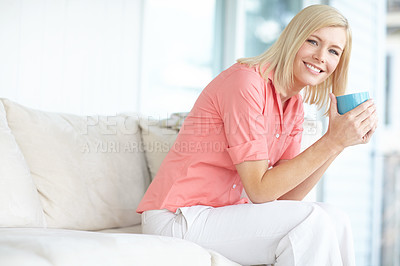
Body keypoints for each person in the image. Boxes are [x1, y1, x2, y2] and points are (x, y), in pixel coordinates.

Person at [137, 4, 378, 266]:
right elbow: (260, 191)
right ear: (293, 38)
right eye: (313, 41)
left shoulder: (293, 104)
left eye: (333, 51)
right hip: (177, 217)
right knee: (312, 220)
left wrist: (338, 142)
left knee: (336, 218)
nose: (321, 56)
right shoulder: (246, 83)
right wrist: (332, 141)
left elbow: (286, 199)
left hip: (223, 214)